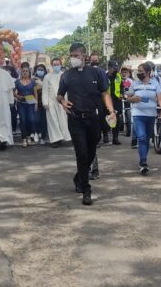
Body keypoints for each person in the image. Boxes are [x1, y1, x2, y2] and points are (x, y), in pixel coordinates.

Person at [56, 43, 114, 206]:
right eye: (71, 56)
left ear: (84, 56)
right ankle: (86, 189)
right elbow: (59, 95)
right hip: (75, 119)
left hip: (94, 118)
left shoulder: (97, 73)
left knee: (91, 152)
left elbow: (105, 93)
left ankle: (78, 177)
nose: (73, 59)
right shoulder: (67, 75)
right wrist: (62, 101)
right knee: (81, 153)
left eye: (76, 55)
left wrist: (111, 110)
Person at [126, 62, 161, 175]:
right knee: (142, 137)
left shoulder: (155, 83)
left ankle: (143, 158)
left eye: (141, 71)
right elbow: (128, 96)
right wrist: (132, 99)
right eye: (138, 71)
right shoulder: (135, 83)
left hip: (151, 114)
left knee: (147, 138)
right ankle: (143, 162)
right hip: (138, 114)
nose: (138, 73)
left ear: (148, 72)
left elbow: (160, 98)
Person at [42, 58, 71, 148]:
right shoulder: (47, 77)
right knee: (53, 121)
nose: (56, 66)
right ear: (51, 65)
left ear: (61, 64)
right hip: (51, 102)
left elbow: (68, 89)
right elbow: (45, 90)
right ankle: (55, 140)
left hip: (62, 101)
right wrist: (45, 102)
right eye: (54, 65)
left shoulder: (65, 75)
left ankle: (64, 137)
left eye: (57, 64)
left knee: (63, 120)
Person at [14, 62, 39, 147]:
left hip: (31, 102)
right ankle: (24, 139)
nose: (25, 72)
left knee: (31, 120)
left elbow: (36, 93)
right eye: (23, 71)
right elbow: (12, 92)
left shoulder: (33, 82)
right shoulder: (17, 82)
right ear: (21, 71)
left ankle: (29, 136)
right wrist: (17, 96)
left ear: (29, 72)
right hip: (21, 103)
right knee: (23, 120)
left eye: (26, 71)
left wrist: (36, 104)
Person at [104, 61, 123, 145]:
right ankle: (105, 135)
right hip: (106, 100)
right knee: (106, 118)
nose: (115, 70)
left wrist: (121, 93)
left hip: (116, 100)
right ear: (109, 67)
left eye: (116, 68)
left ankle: (115, 138)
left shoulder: (118, 76)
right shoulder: (104, 76)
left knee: (117, 119)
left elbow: (121, 86)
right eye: (113, 68)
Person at [33, 63, 48, 145]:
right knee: (36, 120)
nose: (40, 71)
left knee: (44, 121)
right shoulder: (33, 80)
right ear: (36, 71)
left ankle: (43, 137)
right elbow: (31, 92)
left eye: (42, 70)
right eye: (38, 70)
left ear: (45, 71)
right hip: (36, 103)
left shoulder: (47, 79)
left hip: (45, 103)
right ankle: (36, 132)